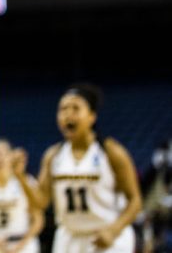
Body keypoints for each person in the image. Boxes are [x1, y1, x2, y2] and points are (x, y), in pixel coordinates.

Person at [15, 83, 143, 253]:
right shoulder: (53, 155)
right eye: (63, 109)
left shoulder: (111, 152)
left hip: (106, 235)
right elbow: (41, 201)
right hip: (69, 237)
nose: (68, 114)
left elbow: (135, 201)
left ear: (92, 116)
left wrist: (114, 230)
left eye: (75, 108)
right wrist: (20, 176)